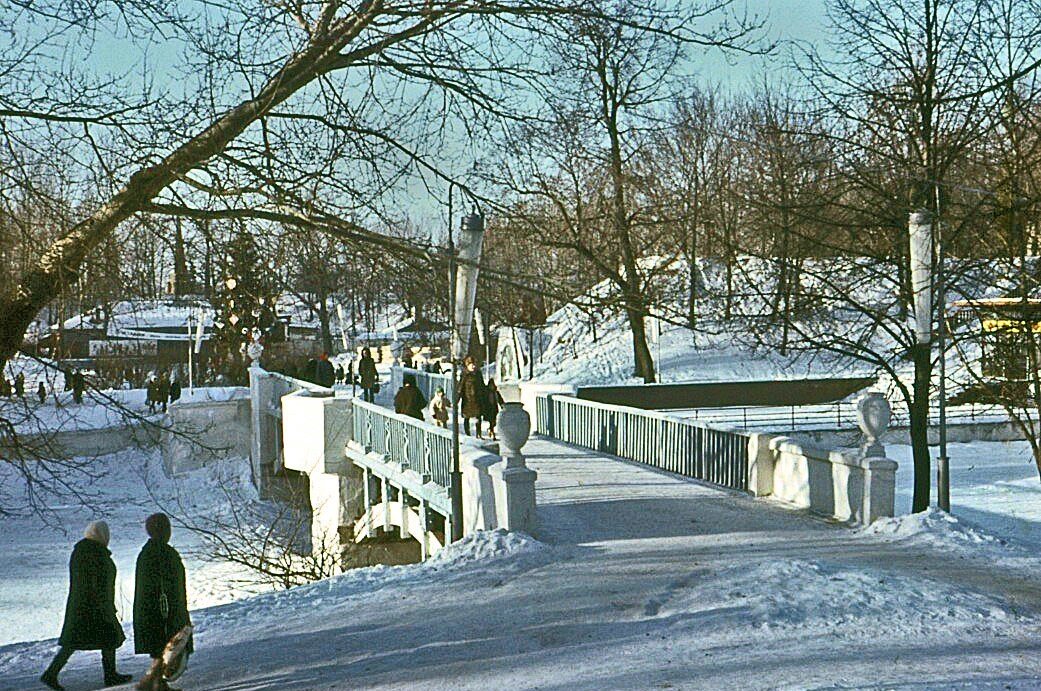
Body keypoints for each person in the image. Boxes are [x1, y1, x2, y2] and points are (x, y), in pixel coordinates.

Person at [41, 521, 132, 690]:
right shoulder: (93, 553)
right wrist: (105, 605)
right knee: (105, 638)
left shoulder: (85, 551)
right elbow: (96, 582)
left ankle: (51, 673)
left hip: (84, 606)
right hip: (93, 606)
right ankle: (109, 675)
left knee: (78, 641)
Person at [134, 513, 192, 690]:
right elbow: (167, 585)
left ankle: (154, 682)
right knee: (168, 644)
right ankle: (152, 682)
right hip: (165, 610)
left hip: (156, 609)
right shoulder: (162, 553)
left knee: (163, 647)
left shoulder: (148, 552)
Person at [457, 356, 486, 437]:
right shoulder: (464, 375)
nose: (473, 366)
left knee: (478, 417)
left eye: (474, 364)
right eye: (471, 365)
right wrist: (457, 399)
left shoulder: (478, 374)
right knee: (467, 418)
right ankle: (467, 434)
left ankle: (478, 434)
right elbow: (460, 388)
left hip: (477, 399)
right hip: (467, 400)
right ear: (467, 365)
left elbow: (482, 386)